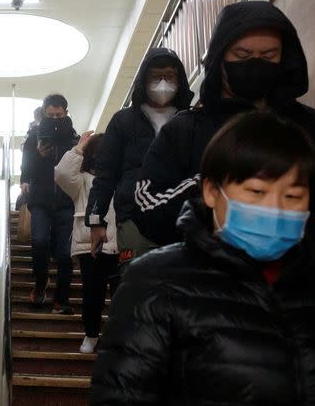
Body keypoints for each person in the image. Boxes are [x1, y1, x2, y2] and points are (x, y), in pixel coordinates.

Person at [91, 111, 315, 406]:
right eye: (257, 191)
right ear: (211, 191)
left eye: (293, 196)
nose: (276, 209)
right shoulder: (155, 282)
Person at [134, 1, 315, 258]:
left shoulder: (311, 125)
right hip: (211, 283)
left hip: (303, 285)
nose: (256, 63)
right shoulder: (186, 129)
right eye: (242, 55)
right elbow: (147, 208)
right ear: (219, 58)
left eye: (269, 55)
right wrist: (216, 183)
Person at [85, 48, 192, 274]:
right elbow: (105, 175)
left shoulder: (190, 120)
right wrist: (95, 222)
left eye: (170, 77)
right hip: (134, 217)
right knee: (137, 285)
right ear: (144, 80)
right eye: (155, 77)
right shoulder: (123, 121)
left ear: (179, 80)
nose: (163, 84)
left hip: (185, 216)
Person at [54, 131, 118, 354]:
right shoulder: (81, 180)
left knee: (122, 294)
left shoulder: (123, 177)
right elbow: (62, 174)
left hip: (120, 243)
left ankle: (118, 338)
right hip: (89, 245)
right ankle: (91, 335)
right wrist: (79, 147)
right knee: (93, 294)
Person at [20, 94, 79, 313]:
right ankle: (41, 282)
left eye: (59, 115)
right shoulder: (34, 135)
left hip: (67, 200)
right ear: (44, 113)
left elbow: (80, 167)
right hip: (40, 199)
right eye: (50, 115)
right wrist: (36, 158)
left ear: (66, 113)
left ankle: (60, 300)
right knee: (40, 241)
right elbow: (25, 166)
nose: (55, 118)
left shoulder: (74, 138)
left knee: (65, 253)